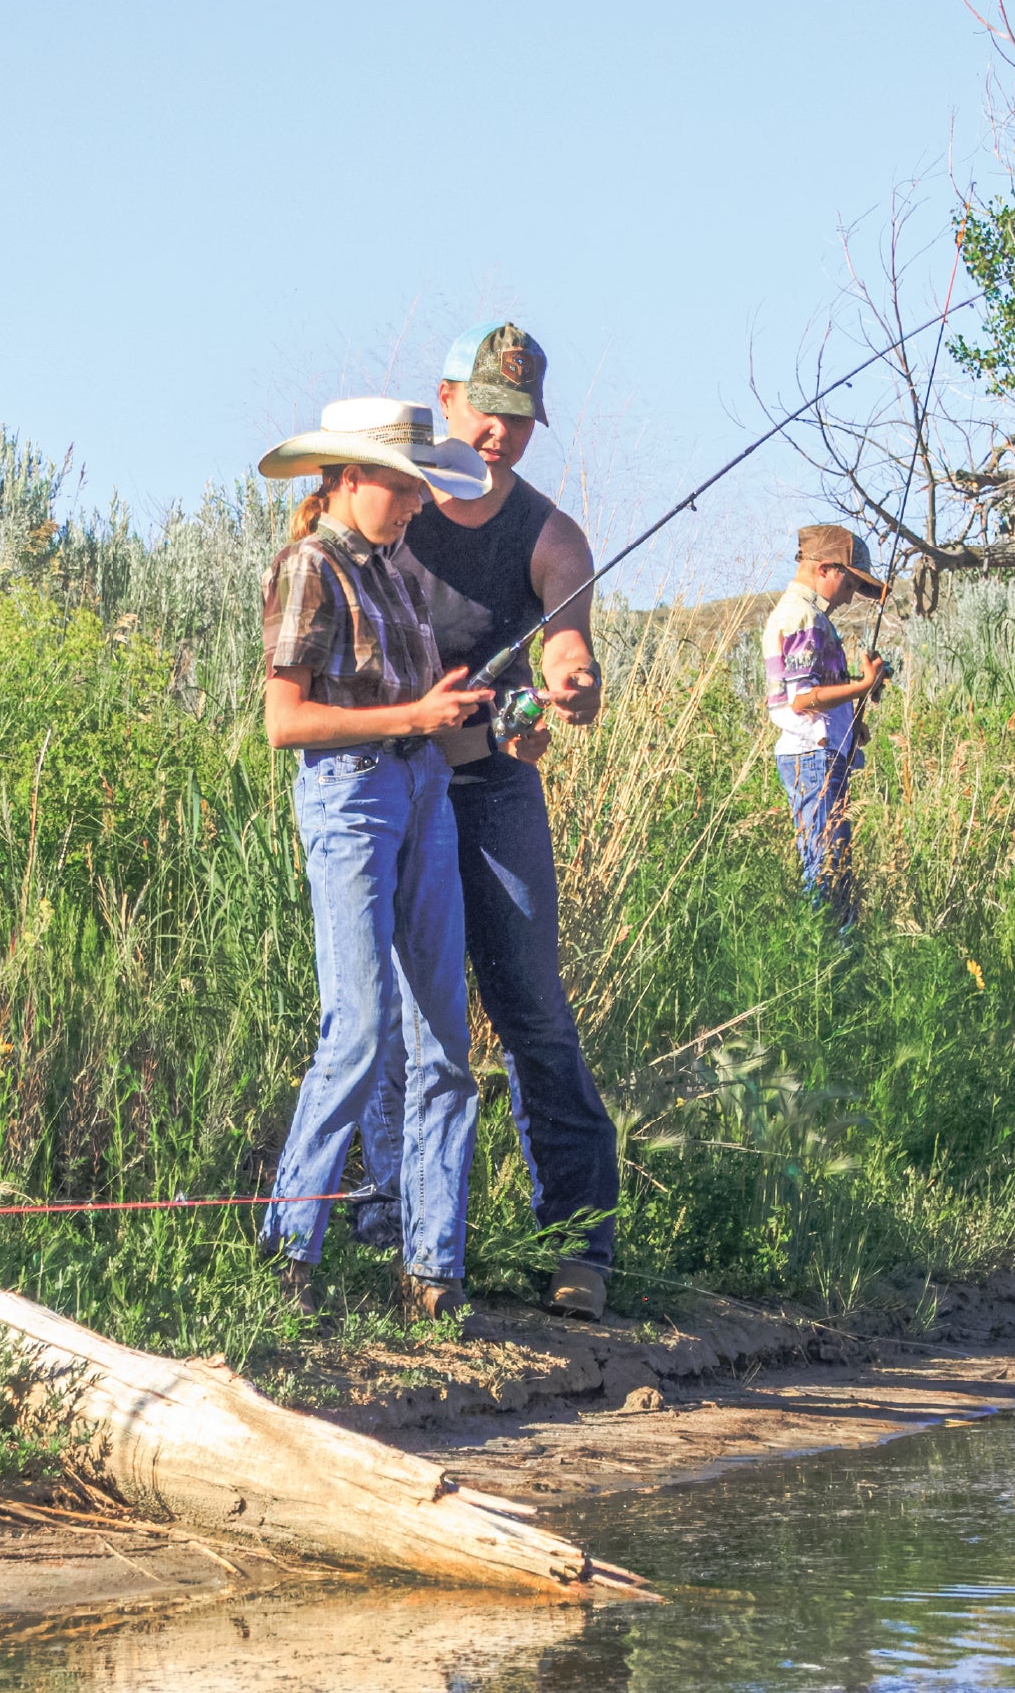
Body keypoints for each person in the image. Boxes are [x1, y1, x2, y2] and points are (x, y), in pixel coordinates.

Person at [388, 321, 619, 1322]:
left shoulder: (552, 537)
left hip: (490, 791)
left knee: (530, 1009)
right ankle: (387, 1231)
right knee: (400, 1019)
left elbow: (569, 651)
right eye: (488, 411)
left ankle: (579, 1244)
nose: (501, 435)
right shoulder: (387, 504)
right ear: (446, 400)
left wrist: (573, 689)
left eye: (520, 420)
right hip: (389, 786)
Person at [257, 396, 493, 1321]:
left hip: (421, 788)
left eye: (419, 488)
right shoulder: (309, 566)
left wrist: (447, 710)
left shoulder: (393, 567)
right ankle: (287, 1255)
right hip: (351, 797)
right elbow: (286, 722)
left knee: (444, 1044)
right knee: (357, 1031)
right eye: (402, 486)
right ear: (349, 480)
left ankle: (433, 1269)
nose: (416, 503)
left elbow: (404, 700)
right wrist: (411, 718)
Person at [762, 525, 888, 922]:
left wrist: (852, 714)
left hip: (820, 758)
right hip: (812, 761)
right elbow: (802, 700)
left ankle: (836, 962)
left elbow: (817, 692)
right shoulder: (803, 617)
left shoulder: (811, 617)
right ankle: (827, 965)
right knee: (826, 873)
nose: (852, 595)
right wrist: (862, 686)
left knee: (835, 869)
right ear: (827, 569)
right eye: (851, 582)